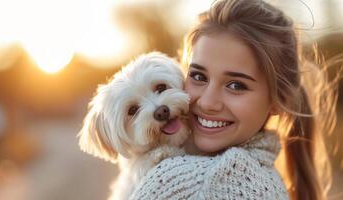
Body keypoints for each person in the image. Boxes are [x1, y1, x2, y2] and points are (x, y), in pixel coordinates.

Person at [130, 0, 340, 199]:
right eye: (198, 76)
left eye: (236, 85)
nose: (206, 102)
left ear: (277, 100)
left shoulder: (181, 180)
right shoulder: (266, 177)